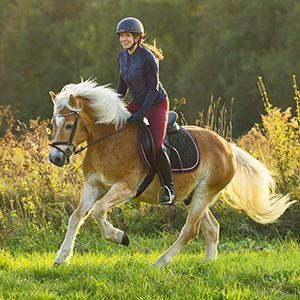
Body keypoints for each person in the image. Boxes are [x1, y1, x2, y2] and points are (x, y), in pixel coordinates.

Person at [116, 17, 175, 204]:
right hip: (138, 101)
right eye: (122, 36)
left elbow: (153, 89)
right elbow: (122, 85)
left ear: (137, 37)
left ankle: (169, 188)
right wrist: (115, 106)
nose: (124, 39)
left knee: (158, 146)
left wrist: (142, 114)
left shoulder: (148, 58)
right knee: (115, 123)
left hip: (156, 103)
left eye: (128, 36)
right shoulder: (122, 56)